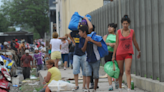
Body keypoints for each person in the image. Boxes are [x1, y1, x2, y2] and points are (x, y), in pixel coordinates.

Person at [112, 15, 141, 92]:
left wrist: (139, 50)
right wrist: (113, 55)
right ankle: (120, 88)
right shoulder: (118, 32)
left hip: (128, 53)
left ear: (129, 24)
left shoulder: (132, 31)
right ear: (122, 24)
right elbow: (116, 44)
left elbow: (135, 42)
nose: (125, 25)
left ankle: (128, 89)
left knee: (127, 70)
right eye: (124, 23)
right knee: (120, 72)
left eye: (126, 23)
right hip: (119, 54)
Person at [69, 17, 93, 91]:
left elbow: (91, 27)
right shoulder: (76, 32)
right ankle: (76, 85)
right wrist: (73, 42)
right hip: (76, 54)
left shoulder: (86, 33)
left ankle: (84, 86)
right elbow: (69, 34)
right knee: (75, 70)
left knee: (85, 71)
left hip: (84, 54)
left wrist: (86, 18)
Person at [79, 25, 101, 92]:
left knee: (95, 75)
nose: (79, 33)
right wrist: (86, 41)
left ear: (84, 32)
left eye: (80, 32)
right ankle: (87, 88)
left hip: (96, 58)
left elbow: (100, 44)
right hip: (87, 59)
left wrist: (91, 40)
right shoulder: (81, 39)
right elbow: (83, 50)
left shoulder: (93, 36)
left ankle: (94, 88)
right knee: (88, 74)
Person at [103, 23, 119, 91]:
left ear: (114, 29)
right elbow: (102, 44)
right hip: (108, 54)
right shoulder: (106, 36)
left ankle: (116, 81)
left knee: (117, 69)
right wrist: (110, 44)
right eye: (108, 27)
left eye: (111, 27)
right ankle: (110, 85)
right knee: (109, 70)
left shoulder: (117, 36)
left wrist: (115, 45)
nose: (109, 28)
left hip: (117, 54)